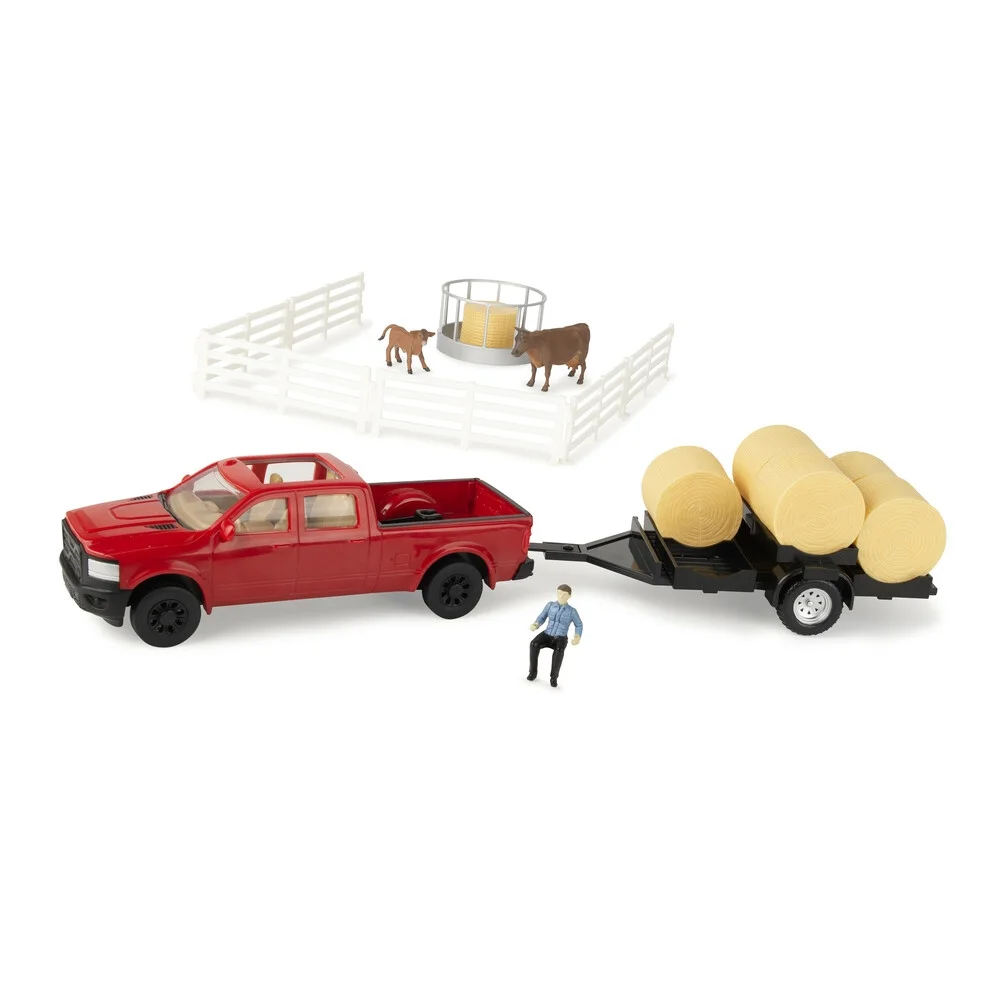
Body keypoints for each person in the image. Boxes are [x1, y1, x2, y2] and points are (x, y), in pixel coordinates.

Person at [528, 584, 582, 687]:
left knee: (559, 651)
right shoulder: (550, 605)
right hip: (547, 634)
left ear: (569, 596)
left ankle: (554, 677)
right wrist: (536, 624)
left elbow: (579, 625)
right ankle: (532, 672)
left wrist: (577, 636)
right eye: (559, 593)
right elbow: (542, 617)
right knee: (533, 644)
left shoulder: (572, 611)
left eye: (564, 594)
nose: (561, 596)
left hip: (560, 638)